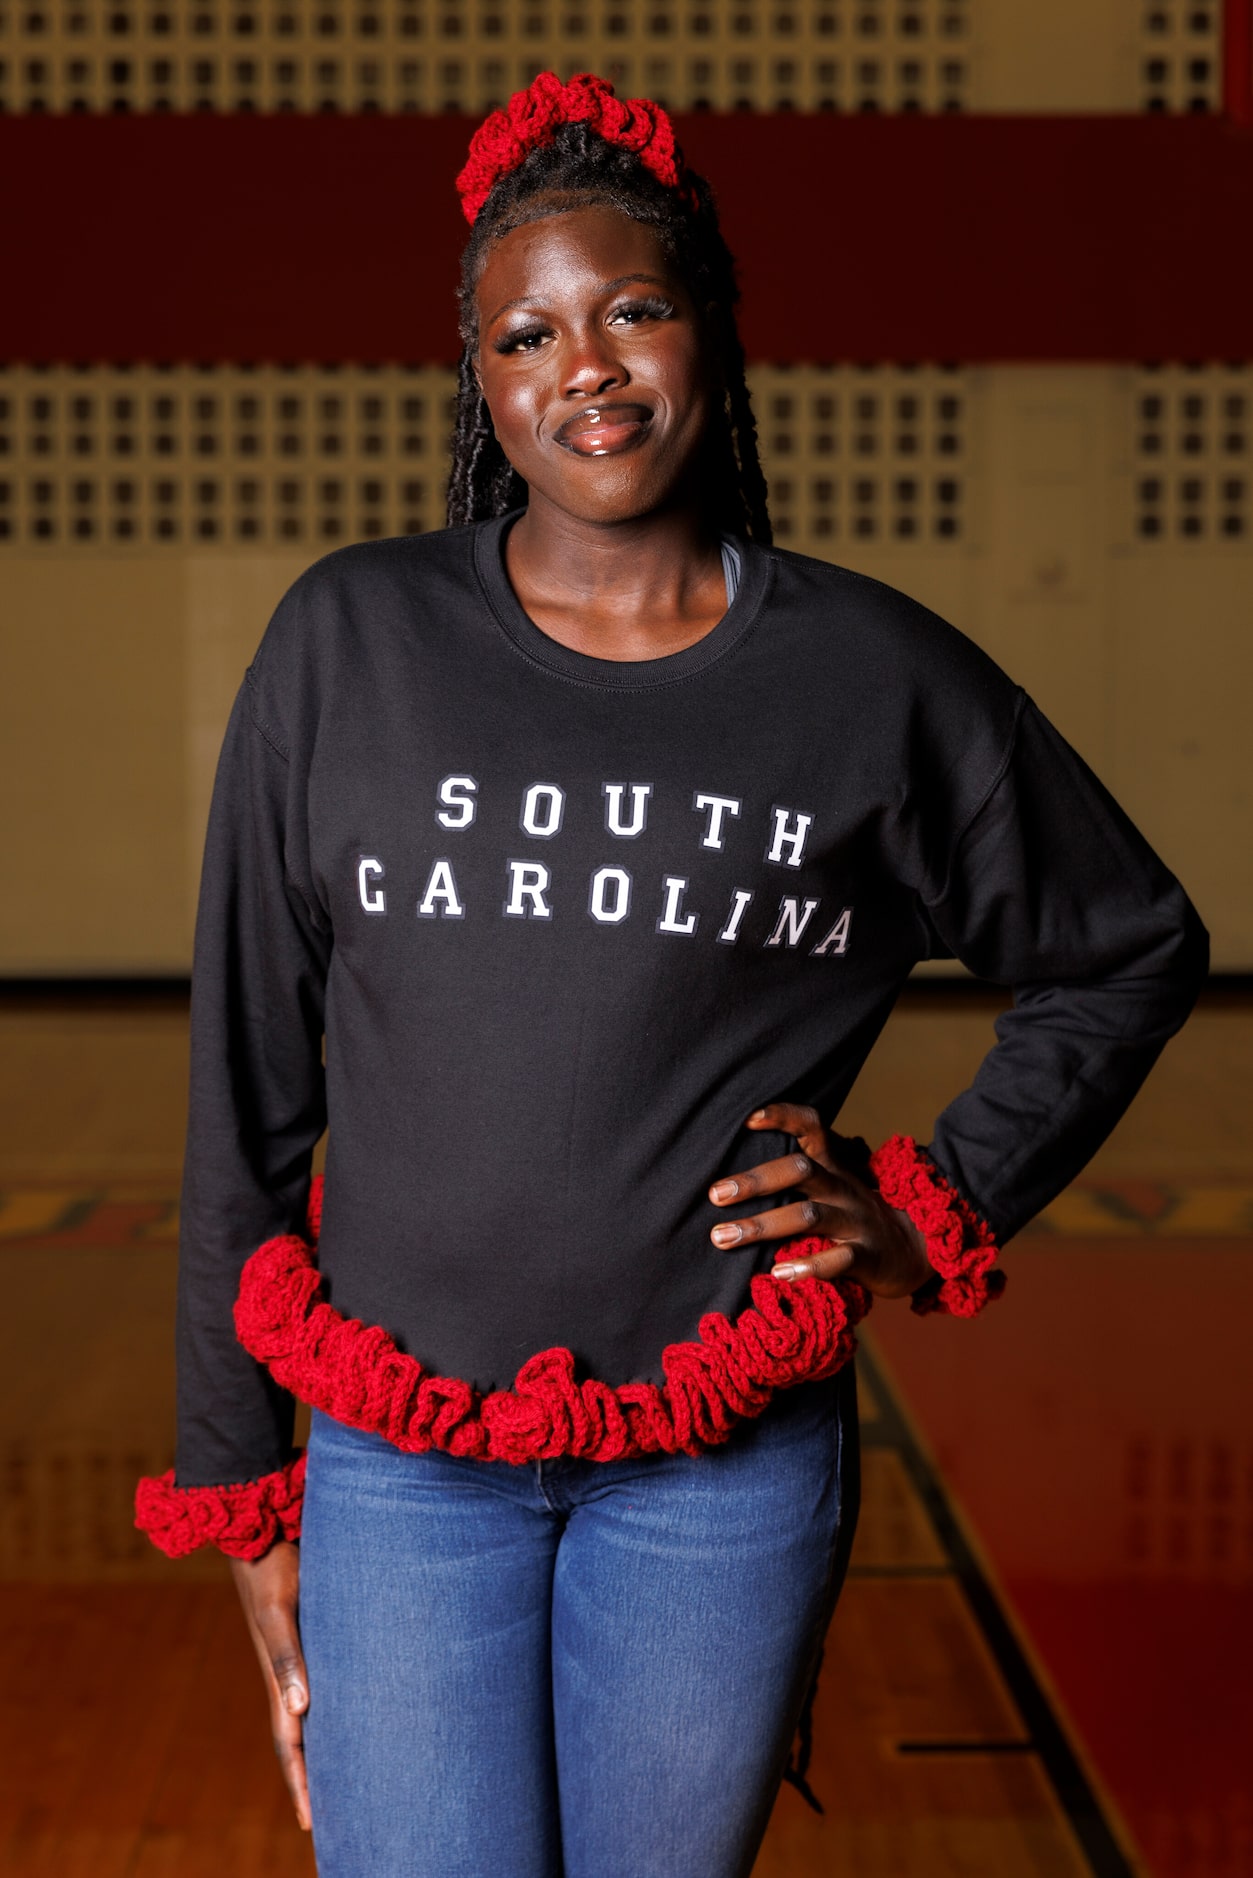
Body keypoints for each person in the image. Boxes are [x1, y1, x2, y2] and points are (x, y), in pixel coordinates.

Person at [135, 72, 1207, 1878]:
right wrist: (248, 1492)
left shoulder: (873, 678)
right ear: (479, 379)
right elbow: (243, 1094)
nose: (588, 366)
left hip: (716, 1469)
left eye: (632, 307)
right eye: (526, 331)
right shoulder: (350, 640)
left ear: (709, 324)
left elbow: (1126, 947)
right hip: (402, 1467)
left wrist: (921, 1199)